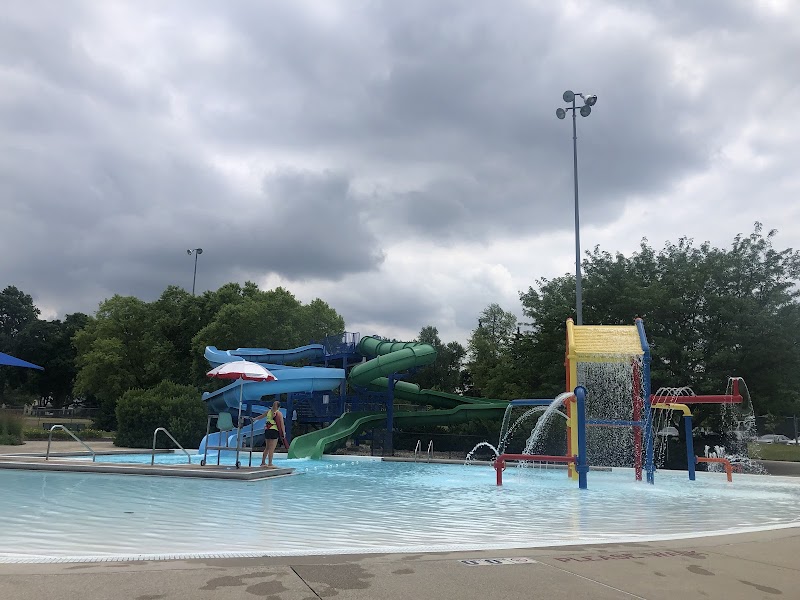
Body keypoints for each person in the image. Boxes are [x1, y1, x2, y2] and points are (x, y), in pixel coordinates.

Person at [251, 401, 289, 468]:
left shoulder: (268, 412)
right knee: (272, 448)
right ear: (279, 407)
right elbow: (282, 424)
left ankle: (263, 462)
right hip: (274, 430)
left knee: (267, 447)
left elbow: (261, 417)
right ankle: (270, 463)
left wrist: (254, 419)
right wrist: (284, 432)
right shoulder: (279, 413)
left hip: (267, 430)